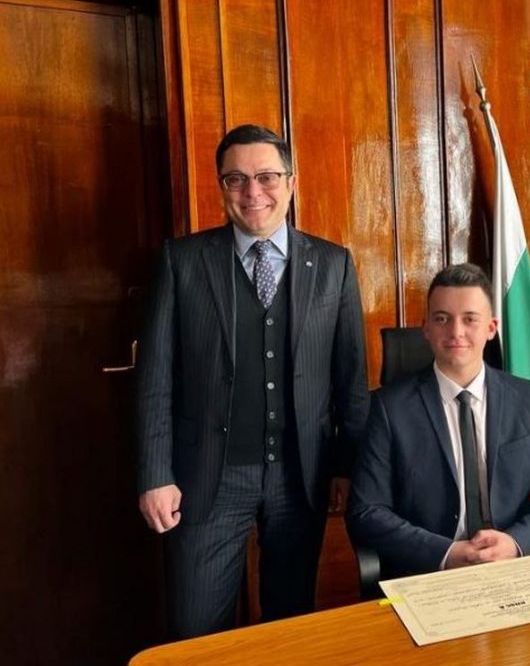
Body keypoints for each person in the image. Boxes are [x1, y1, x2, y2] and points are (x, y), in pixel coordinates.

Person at [135, 124, 370, 638]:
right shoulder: (183, 261)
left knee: (289, 625)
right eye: (236, 179)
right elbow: (155, 379)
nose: (252, 192)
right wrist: (155, 474)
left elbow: (351, 379)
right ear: (222, 186)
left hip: (301, 477)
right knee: (196, 630)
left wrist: (346, 466)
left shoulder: (333, 264)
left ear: (291, 182)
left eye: (266, 177)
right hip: (205, 477)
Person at [346, 263, 530, 578]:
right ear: (426, 328)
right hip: (429, 573)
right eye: (442, 319)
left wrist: (514, 543)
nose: (456, 332)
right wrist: (446, 553)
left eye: (470, 319)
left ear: (491, 328)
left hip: (511, 566)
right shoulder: (389, 408)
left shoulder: (526, 399)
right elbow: (367, 510)